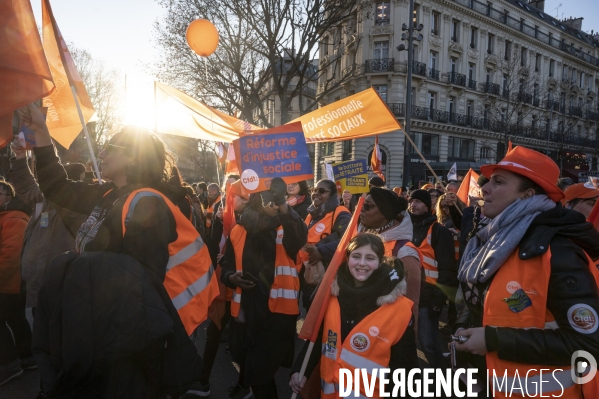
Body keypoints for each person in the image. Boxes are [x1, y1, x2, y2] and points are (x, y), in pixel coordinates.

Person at [20, 104, 211, 397]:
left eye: (111, 147)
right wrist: (41, 132)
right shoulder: (109, 195)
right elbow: (56, 186)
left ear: (133, 157)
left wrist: (75, 270)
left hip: (131, 340)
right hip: (107, 330)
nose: (102, 153)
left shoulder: (147, 204)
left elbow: (139, 285)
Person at [454, 146, 599, 398]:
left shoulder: (559, 252)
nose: (484, 188)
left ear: (528, 195)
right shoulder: (499, 242)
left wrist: (492, 340)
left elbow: (587, 344)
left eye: (498, 182)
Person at [289, 234, 419, 397]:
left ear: (380, 262)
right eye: (356, 256)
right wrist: (300, 370)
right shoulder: (332, 296)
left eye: (370, 258)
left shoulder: (399, 309)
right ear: (347, 258)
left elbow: (405, 369)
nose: (362, 263)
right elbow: (318, 340)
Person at [221, 177, 307, 398]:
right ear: (256, 201)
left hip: (275, 317)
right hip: (245, 315)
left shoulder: (285, 227)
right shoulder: (239, 230)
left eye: (275, 201)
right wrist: (232, 277)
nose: (271, 205)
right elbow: (228, 265)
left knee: (259, 374)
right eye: (266, 200)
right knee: (255, 374)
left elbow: (298, 237)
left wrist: (283, 205)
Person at [9, 141, 87, 315]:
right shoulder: (44, 201)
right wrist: (20, 159)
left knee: (57, 337)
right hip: (38, 284)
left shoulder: (75, 209)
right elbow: (27, 186)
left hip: (60, 288)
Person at [191, 180, 250, 398]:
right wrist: (219, 224)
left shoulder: (257, 224)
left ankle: (244, 383)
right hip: (225, 285)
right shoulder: (224, 219)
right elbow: (214, 246)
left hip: (246, 291)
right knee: (214, 332)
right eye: (229, 195)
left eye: (235, 196)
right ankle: (203, 380)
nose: (229, 200)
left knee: (243, 338)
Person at [358, 188, 423, 328]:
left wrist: (405, 344)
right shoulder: (361, 239)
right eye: (363, 204)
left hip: (385, 331)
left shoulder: (404, 252)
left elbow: (410, 307)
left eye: (368, 206)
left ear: (384, 213)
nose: (361, 209)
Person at [408, 189, 456, 369]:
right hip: (404, 298)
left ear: (428, 206)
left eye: (418, 201)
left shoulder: (438, 231)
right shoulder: (402, 228)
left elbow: (447, 269)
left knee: (428, 344)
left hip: (428, 299)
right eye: (411, 201)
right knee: (407, 344)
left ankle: (443, 378)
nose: (413, 204)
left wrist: (438, 301)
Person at [299, 180, 351, 309]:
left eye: (322, 191)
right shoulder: (311, 215)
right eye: (314, 190)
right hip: (310, 276)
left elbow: (349, 240)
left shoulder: (341, 213)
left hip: (329, 277)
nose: (316, 194)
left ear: (332, 195)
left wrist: (321, 251)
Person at [0, 180, 32, 386]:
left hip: (8, 284)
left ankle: (9, 365)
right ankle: (26, 358)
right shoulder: (6, 216)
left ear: (8, 196)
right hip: (10, 284)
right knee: (16, 319)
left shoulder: (15, 218)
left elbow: (10, 256)